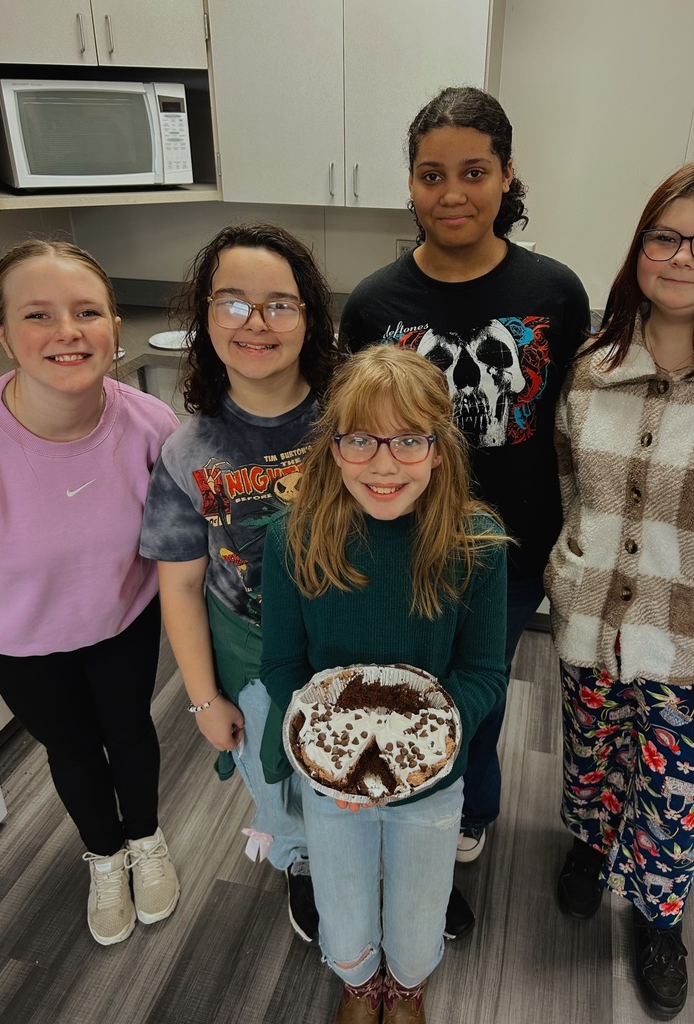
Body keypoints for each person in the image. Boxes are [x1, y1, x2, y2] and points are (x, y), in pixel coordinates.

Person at [339, 86, 589, 930]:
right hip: (399, 544)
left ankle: (466, 814)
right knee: (405, 686)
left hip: (513, 551)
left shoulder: (554, 290)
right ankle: (392, 810)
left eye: (473, 172)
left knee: (477, 693)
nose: (452, 193)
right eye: (431, 174)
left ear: (507, 175)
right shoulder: (375, 306)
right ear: (409, 184)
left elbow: (566, 422)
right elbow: (358, 432)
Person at [544, 159, 694, 1018]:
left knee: (673, 796)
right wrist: (570, 574)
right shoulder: (595, 365)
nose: (684, 258)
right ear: (639, 247)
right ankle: (590, 848)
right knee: (592, 758)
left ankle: (659, 916)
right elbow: (571, 487)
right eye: (665, 237)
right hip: (592, 623)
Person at [259, 345, 508, 1024]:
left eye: (408, 439)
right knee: (340, 894)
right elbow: (281, 666)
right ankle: (360, 979)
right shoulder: (293, 537)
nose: (385, 462)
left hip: (432, 774)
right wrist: (342, 760)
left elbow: (484, 672)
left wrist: (411, 752)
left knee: (422, 898)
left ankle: (406, 981)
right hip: (331, 778)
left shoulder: (475, 541)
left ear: (438, 448)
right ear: (334, 447)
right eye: (362, 439)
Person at [140, 223, 344, 944]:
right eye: (232, 304)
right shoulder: (188, 450)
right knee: (277, 779)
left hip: (353, 645)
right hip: (251, 658)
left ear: (310, 319)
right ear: (204, 318)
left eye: (279, 305)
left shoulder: (353, 419)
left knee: (352, 770)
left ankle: (361, 856)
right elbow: (181, 587)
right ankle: (301, 863)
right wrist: (202, 699)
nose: (255, 324)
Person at [0, 239, 180, 946]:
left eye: (87, 311)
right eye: (38, 314)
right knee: (70, 749)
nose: (67, 331)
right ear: (4, 335)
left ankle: (146, 840)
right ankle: (104, 856)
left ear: (114, 328)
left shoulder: (149, 427)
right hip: (17, 637)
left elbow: (179, 545)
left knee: (129, 733)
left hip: (120, 620)